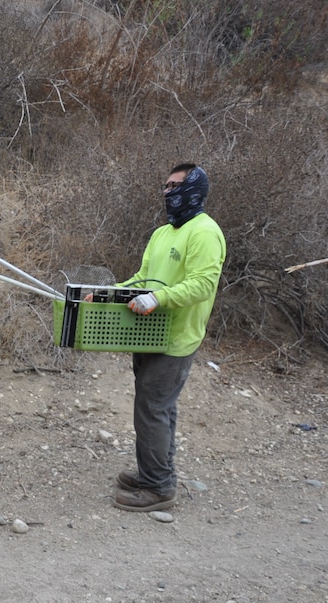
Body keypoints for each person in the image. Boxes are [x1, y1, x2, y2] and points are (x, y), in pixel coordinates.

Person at [113, 163, 226, 512]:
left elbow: (203, 284)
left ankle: (159, 488)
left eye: (176, 185)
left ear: (194, 190)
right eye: (165, 185)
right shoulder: (163, 233)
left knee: (152, 408)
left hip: (177, 338)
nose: (168, 192)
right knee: (157, 408)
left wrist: (159, 298)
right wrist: (108, 293)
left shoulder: (204, 232)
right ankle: (156, 472)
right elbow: (143, 277)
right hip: (147, 333)